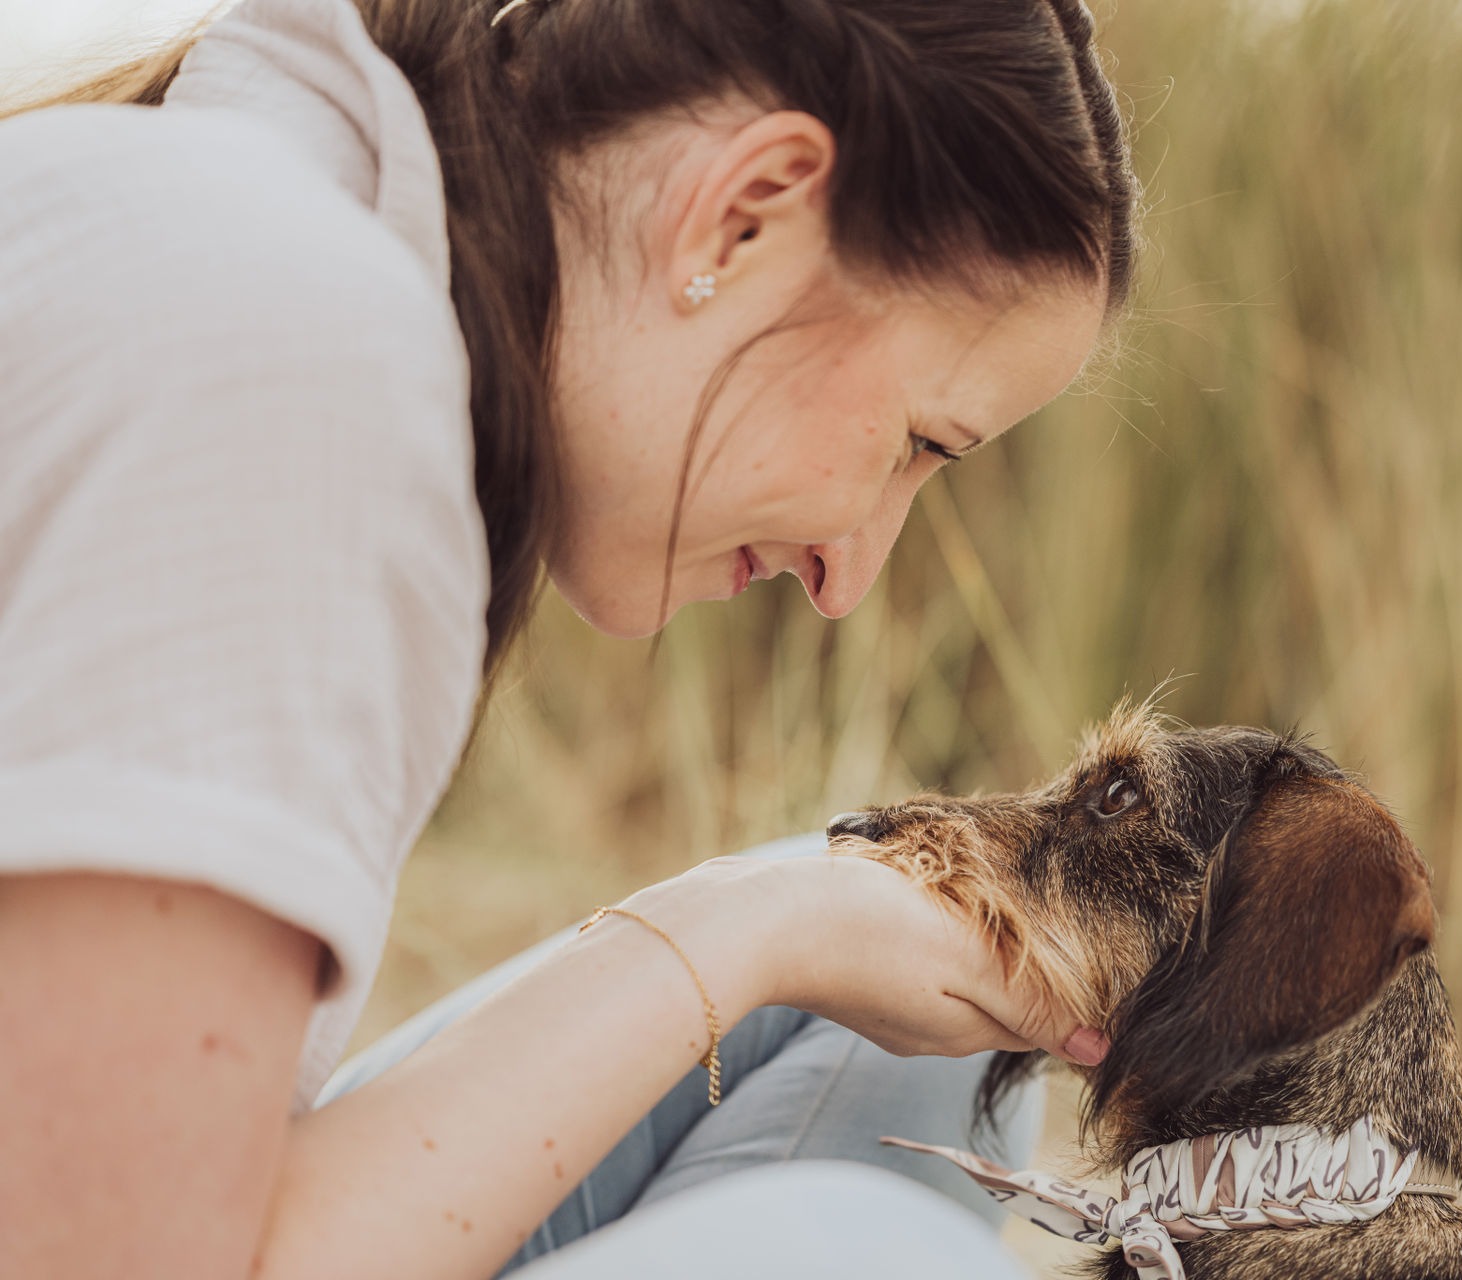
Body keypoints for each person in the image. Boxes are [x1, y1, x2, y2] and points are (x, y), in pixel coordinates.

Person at [0, 0, 1137, 1275]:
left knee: (882, 1024)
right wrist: (751, 933)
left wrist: (776, 915)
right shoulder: (304, 371)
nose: (848, 575)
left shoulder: (276, 238)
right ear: (746, 211)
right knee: (890, 1250)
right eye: (921, 443)